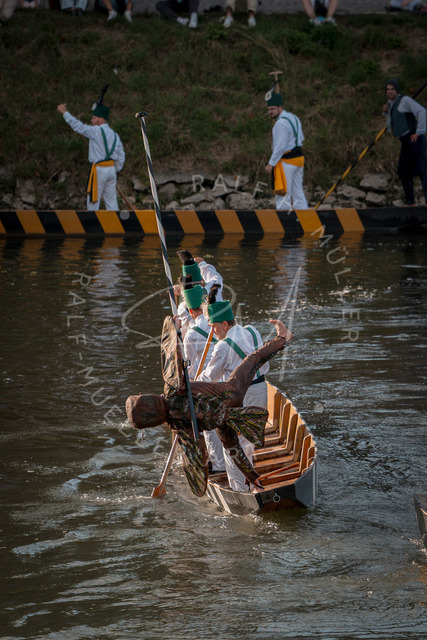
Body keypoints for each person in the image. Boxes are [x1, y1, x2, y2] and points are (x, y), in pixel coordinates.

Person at [126, 314, 293, 497]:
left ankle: (253, 481)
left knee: (232, 448)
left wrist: (251, 476)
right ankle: (282, 338)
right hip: (231, 394)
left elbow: (196, 459)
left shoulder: (180, 427)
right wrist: (174, 328)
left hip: (223, 420)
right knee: (253, 360)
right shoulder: (172, 387)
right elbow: (170, 353)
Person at [196, 286, 270, 491]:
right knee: (248, 439)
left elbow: (210, 378)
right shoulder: (253, 332)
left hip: (240, 397)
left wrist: (191, 384)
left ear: (225, 324)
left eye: (214, 327)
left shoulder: (223, 346)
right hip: (261, 390)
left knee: (233, 444)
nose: (212, 332)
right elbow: (265, 366)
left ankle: (240, 490)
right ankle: (250, 483)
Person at [180, 281, 224, 475]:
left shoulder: (191, 335)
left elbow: (189, 369)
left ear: (190, 311)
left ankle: (219, 465)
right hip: (228, 378)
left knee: (209, 423)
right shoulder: (219, 321)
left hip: (208, 383)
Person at [57, 101, 125, 211]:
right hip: (111, 170)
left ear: (101, 119)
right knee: (111, 201)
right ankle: (114, 221)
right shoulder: (114, 135)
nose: (91, 121)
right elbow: (121, 155)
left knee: (93, 200)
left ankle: (92, 221)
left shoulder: (95, 131)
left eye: (94, 118)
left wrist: (65, 113)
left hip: (99, 170)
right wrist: (115, 168)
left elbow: (78, 126)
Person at [382, 79, 427, 206]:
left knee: (422, 170)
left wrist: (419, 132)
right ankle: (410, 202)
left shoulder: (405, 100)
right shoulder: (390, 104)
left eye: (392, 89)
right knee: (403, 171)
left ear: (396, 90)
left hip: (414, 139)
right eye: (388, 89)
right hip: (405, 141)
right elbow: (391, 122)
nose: (390, 92)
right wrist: (385, 112)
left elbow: (422, 112)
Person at [264, 91, 308, 212]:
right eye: (268, 109)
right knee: (298, 193)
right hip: (299, 160)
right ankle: (305, 219)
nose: (270, 112)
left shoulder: (280, 123)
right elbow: (301, 138)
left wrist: (271, 164)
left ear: (280, 107)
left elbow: (280, 147)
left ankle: (284, 221)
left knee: (283, 194)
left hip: (287, 162)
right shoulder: (294, 118)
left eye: (272, 109)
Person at [174, 250, 223, 338]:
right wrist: (202, 264)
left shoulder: (183, 307)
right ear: (201, 281)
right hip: (222, 336)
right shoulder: (214, 288)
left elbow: (184, 335)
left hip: (197, 341)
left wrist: (175, 327)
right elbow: (216, 277)